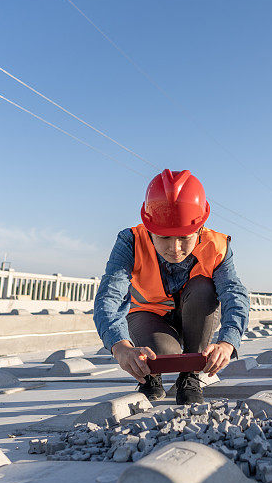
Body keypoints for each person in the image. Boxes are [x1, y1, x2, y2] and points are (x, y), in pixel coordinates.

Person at [93, 169, 250, 404]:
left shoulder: (216, 246)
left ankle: (190, 377)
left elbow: (234, 294)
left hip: (195, 314)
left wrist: (228, 343)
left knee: (204, 289)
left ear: (199, 229)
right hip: (149, 314)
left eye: (184, 238)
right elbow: (109, 295)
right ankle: (149, 376)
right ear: (149, 229)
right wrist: (121, 347)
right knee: (164, 356)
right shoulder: (130, 241)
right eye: (164, 238)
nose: (174, 248)